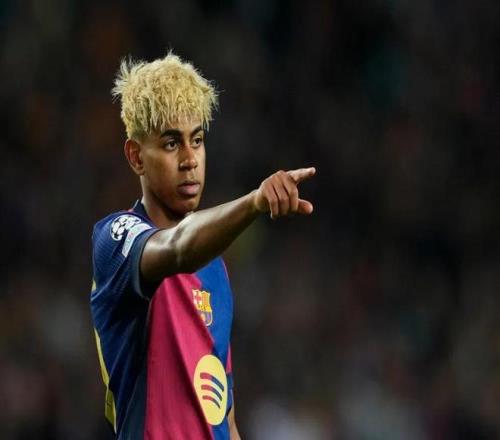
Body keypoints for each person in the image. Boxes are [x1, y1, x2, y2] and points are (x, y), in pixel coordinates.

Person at [90, 52, 315, 440]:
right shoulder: (115, 238)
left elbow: (224, 417)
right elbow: (178, 247)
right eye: (171, 143)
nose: (190, 159)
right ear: (136, 156)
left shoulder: (215, 269)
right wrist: (254, 202)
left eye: (197, 140)